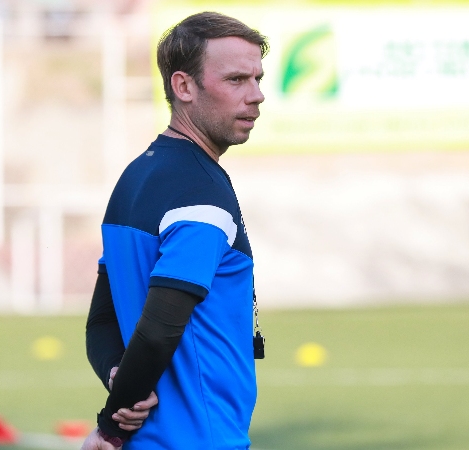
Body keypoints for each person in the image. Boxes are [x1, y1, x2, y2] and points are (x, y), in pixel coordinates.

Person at [82, 11, 268, 450]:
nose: (257, 95)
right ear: (183, 86)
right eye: (237, 80)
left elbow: (101, 323)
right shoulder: (200, 194)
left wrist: (118, 376)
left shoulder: (135, 177)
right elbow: (160, 326)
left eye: (258, 79)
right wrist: (110, 428)